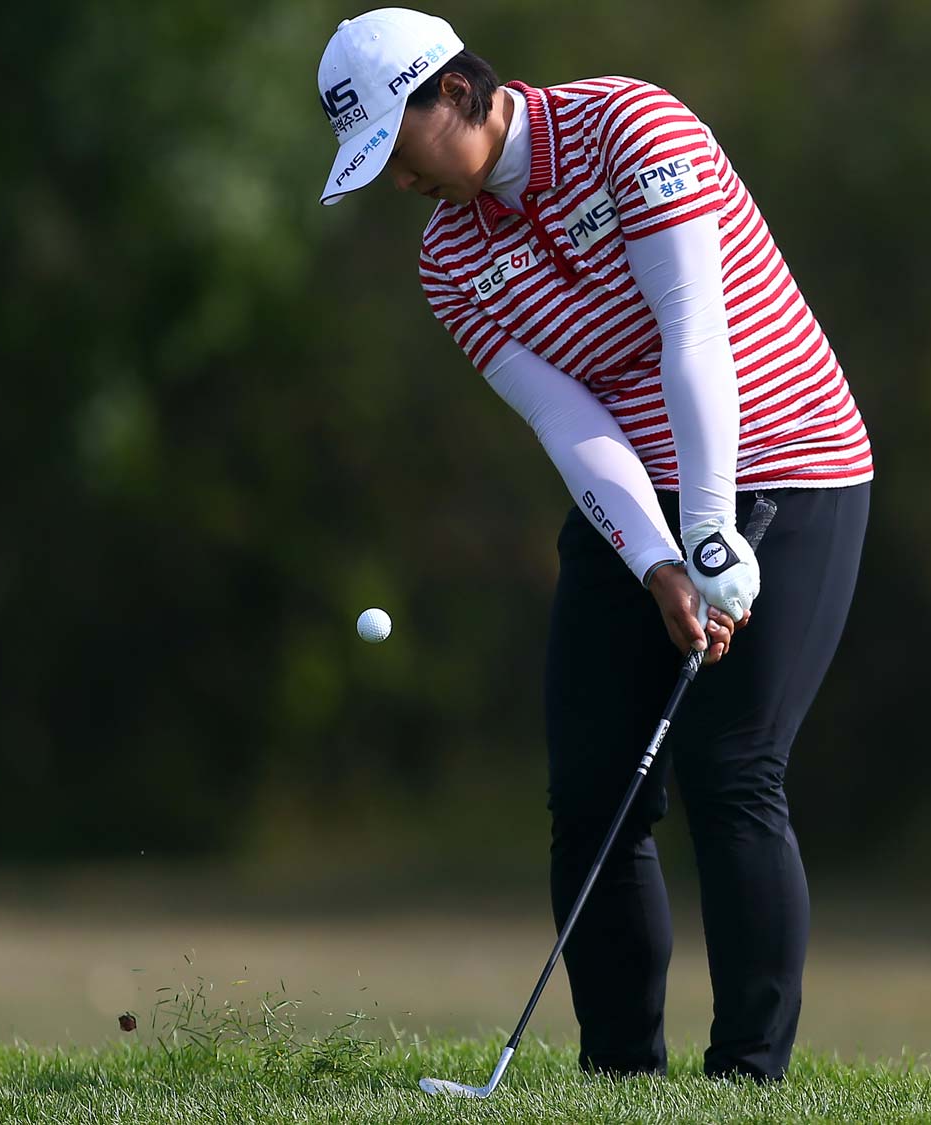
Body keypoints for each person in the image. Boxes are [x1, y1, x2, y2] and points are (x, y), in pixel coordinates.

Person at [313, 9, 874, 1083]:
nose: (395, 181)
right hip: (639, 494)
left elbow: (689, 330)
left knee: (730, 770)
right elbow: (572, 425)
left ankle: (745, 1081)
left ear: (455, 93)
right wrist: (661, 561)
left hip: (789, 462)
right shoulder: (448, 261)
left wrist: (709, 531)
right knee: (589, 791)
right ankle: (620, 1079)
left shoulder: (628, 125)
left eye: (394, 147)